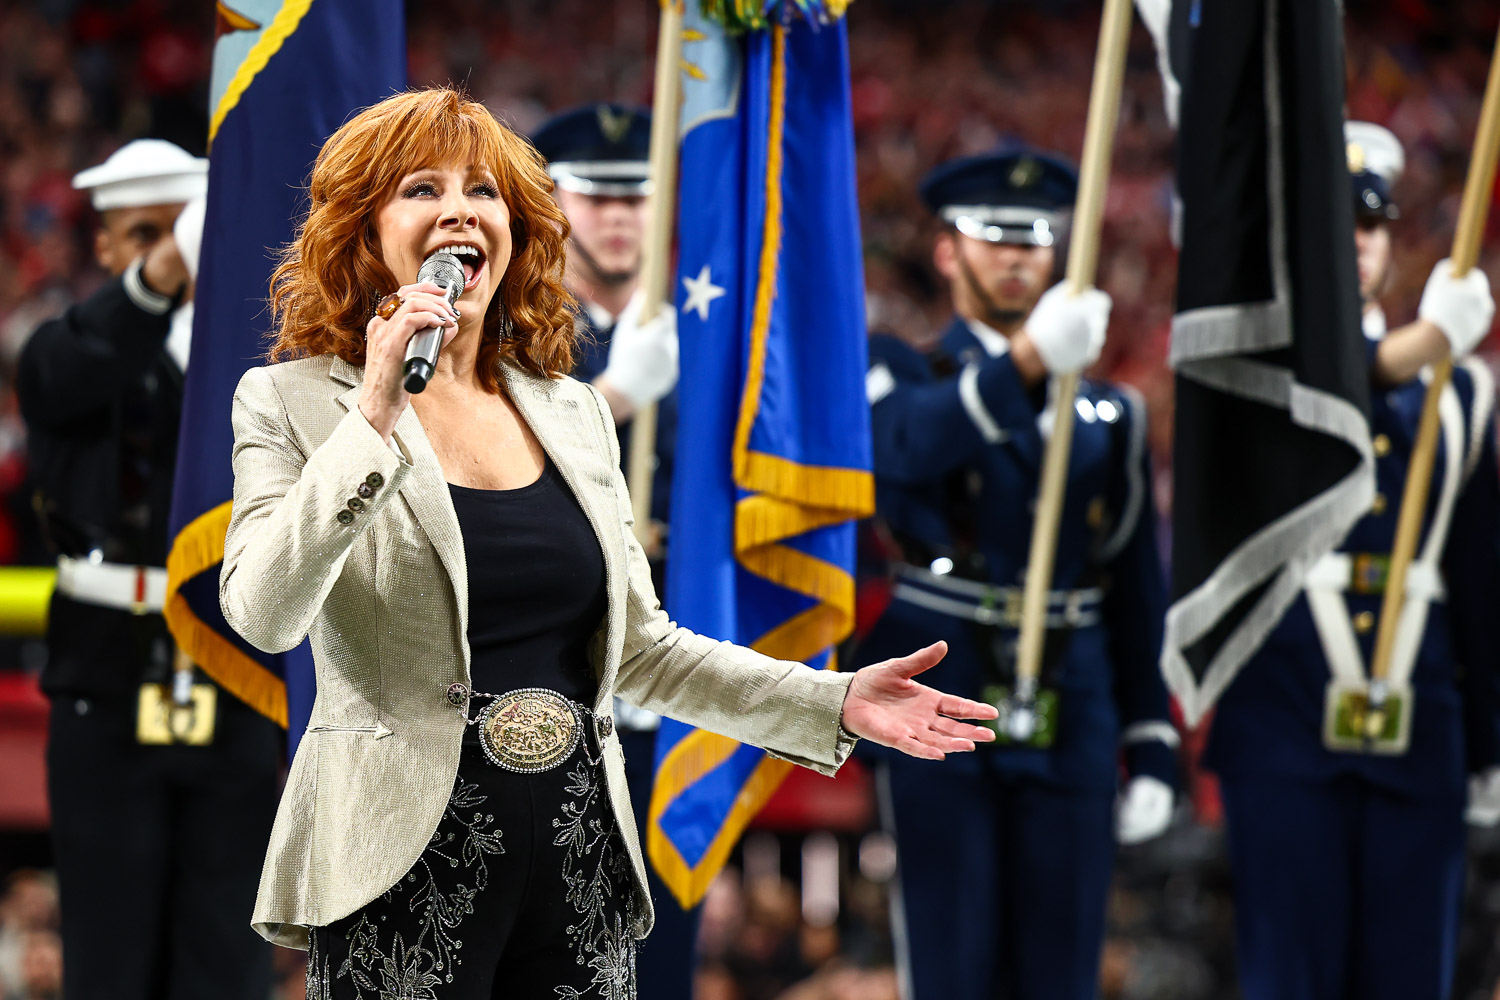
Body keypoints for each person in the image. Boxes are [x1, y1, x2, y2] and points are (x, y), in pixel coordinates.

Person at [218, 87, 996, 1000]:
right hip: (396, 862)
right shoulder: (291, 402)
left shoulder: (574, 410)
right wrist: (376, 413)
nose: (459, 209)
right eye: (421, 188)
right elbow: (264, 612)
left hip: (577, 856)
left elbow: (645, 652)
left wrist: (830, 703)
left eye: (485, 190)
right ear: (363, 228)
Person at [852, 149, 1179, 1000]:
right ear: (948, 252)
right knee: (950, 953)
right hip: (939, 677)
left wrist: (1151, 739)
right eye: (993, 237)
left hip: (1076, 690)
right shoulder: (900, 366)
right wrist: (1026, 360)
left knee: (1062, 957)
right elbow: (908, 448)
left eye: (1036, 239)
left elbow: (1134, 584)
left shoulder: (1111, 409)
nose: (1016, 256)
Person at [1202, 120, 1500, 1000]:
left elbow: (1481, 581)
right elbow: (1329, 385)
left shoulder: (1464, 394)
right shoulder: (1247, 366)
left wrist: (1489, 745)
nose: (1355, 246)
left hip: (1421, 727)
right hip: (1284, 724)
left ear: (1388, 242)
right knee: (1288, 978)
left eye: (1368, 229)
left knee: (1412, 978)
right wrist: (1424, 346)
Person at [16, 139, 281, 999]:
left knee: (225, 954)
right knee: (110, 954)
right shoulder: (68, 342)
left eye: (184, 232)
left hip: (234, 667)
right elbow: (65, 378)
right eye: (143, 235)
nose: (169, 252)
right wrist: (161, 278)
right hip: (107, 668)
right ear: (103, 247)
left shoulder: (261, 356)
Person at [530, 103, 694, 1000]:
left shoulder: (704, 332)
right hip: (558, 656)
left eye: (639, 196)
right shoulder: (516, 325)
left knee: (667, 927)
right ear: (555, 204)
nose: (622, 216)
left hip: (676, 643)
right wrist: (618, 396)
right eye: (598, 197)